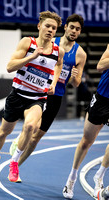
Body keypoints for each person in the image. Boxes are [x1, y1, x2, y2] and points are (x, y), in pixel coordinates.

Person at [0, 10, 64, 182]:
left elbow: (58, 65)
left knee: (30, 127)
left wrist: (53, 82)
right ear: (39, 26)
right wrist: (32, 57)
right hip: (18, 94)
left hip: (37, 98)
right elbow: (9, 66)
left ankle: (14, 163)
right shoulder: (28, 43)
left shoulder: (58, 50)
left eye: (54, 28)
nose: (51, 30)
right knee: (3, 132)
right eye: (47, 26)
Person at [9, 13, 87, 181]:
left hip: (56, 95)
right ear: (65, 27)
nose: (74, 31)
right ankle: (21, 140)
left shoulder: (80, 54)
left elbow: (76, 83)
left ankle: (17, 167)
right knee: (32, 127)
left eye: (78, 29)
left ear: (80, 32)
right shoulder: (52, 42)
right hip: (39, 91)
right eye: (71, 27)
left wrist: (74, 77)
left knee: (37, 137)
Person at [62, 44, 109, 199]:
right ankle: (71, 179)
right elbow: (100, 66)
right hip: (103, 98)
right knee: (86, 141)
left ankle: (99, 175)